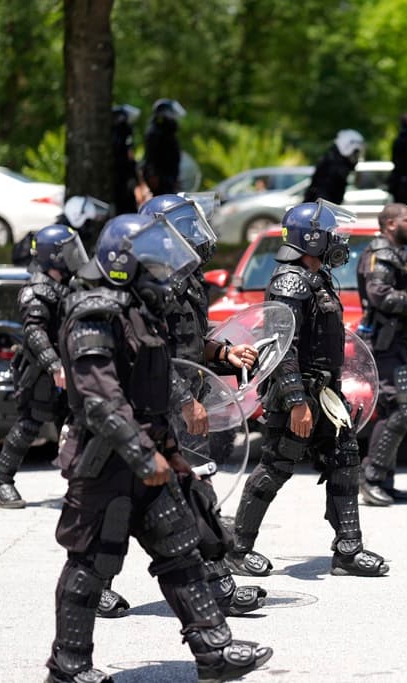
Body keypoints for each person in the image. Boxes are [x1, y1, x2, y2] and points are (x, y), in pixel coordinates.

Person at [46, 213, 272, 683]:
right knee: (90, 563)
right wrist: (141, 453)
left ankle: (214, 651)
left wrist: (166, 450)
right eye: (152, 261)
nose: (162, 271)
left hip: (150, 453)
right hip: (105, 461)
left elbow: (159, 377)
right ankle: (68, 667)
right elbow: (100, 401)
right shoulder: (93, 313)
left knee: (181, 550)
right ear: (125, 262)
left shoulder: (136, 309)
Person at [224, 201, 390, 578]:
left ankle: (348, 550)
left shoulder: (317, 277)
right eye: (331, 234)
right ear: (312, 239)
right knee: (277, 466)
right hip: (298, 395)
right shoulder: (290, 281)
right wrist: (297, 401)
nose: (338, 240)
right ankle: (238, 548)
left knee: (345, 460)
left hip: (326, 395)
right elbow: (284, 348)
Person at [139, 193, 268, 617]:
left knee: (195, 495)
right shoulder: (153, 285)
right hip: (162, 406)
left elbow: (189, 342)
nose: (196, 232)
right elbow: (154, 354)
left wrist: (224, 354)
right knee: (129, 503)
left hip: (183, 398)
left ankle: (219, 585)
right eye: (184, 224)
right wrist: (185, 400)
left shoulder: (185, 277)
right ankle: (91, 584)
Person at [0, 225, 88, 509]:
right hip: (41, 373)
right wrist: (55, 366)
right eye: (68, 250)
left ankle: (80, 486)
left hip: (68, 369)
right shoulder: (36, 289)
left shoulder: (70, 284)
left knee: (77, 427)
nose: (75, 254)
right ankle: (1, 484)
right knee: (29, 425)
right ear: (53, 256)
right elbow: (34, 332)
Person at [356, 204, 407, 506]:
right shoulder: (382, 253)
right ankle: (372, 478)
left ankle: (384, 482)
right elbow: (379, 294)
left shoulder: (399, 254)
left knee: (398, 411)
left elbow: (397, 292)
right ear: (390, 224)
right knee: (403, 411)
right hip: (385, 345)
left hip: (400, 345)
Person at [303, 129, 364, 204]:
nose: (355, 157)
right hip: (321, 204)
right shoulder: (332, 164)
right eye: (354, 152)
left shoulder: (336, 161)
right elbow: (322, 193)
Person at [142, 98, 186, 196]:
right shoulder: (155, 132)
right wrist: (153, 175)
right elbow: (150, 157)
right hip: (162, 180)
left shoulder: (168, 132)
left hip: (169, 178)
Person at [112, 104, 141, 215]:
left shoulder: (120, 133)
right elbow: (129, 155)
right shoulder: (122, 132)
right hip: (122, 175)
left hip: (122, 175)